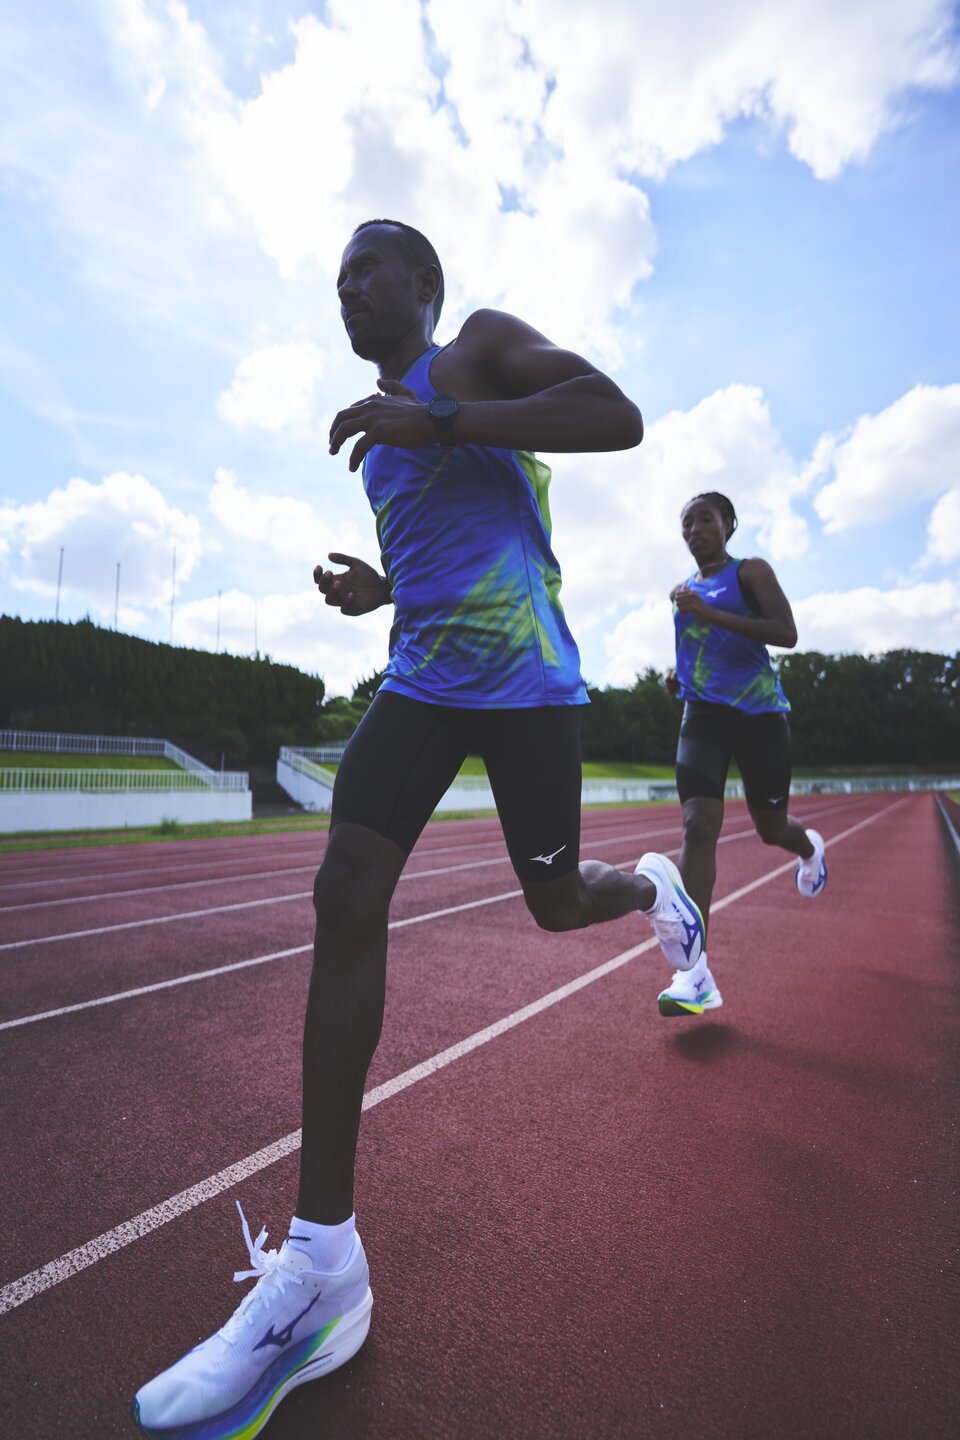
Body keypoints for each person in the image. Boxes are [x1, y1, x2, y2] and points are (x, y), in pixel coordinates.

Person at [132, 220, 706, 1440]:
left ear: (425, 287)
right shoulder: (377, 446)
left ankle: (652, 886)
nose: (346, 290)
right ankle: (321, 1263)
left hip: (530, 684)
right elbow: (448, 550)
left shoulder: (476, 352)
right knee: (345, 887)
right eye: (335, 279)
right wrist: (378, 590)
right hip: (426, 680)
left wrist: (440, 417)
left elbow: (616, 417)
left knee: (557, 901)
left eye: (367, 271)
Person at [656, 490, 828, 1019]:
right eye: (686, 522)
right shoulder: (684, 591)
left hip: (760, 716)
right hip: (703, 717)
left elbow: (786, 633)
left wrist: (709, 613)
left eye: (704, 518)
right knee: (697, 826)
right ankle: (695, 973)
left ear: (728, 524)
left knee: (771, 828)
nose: (694, 529)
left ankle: (810, 849)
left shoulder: (750, 571)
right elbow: (700, 651)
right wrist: (678, 677)